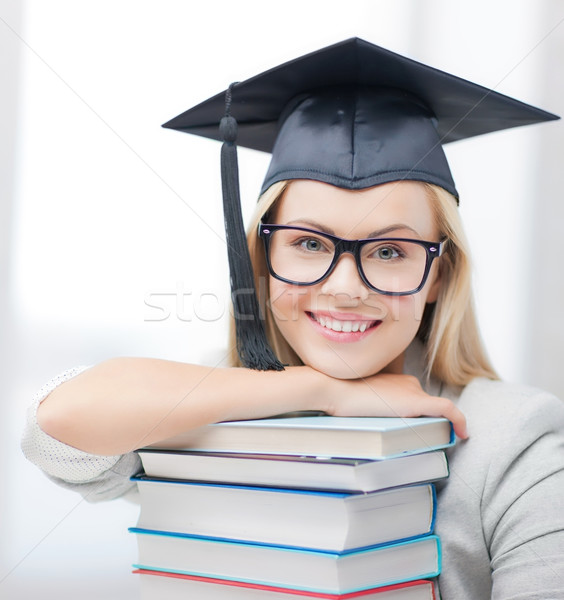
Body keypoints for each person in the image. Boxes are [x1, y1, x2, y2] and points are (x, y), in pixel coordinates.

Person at [22, 38, 564, 598]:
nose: (345, 287)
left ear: (439, 277)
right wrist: (320, 390)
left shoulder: (514, 440)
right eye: (307, 242)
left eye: (388, 252)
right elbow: (56, 428)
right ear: (264, 260)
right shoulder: (216, 403)